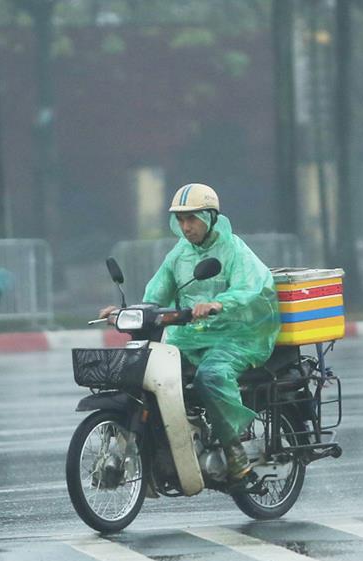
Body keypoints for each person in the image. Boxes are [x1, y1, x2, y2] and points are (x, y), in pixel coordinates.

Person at [100, 183, 281, 480]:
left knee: (210, 375)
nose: (186, 227)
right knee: (151, 373)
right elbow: (155, 292)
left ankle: (234, 449)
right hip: (193, 336)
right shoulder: (179, 254)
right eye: (181, 220)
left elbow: (250, 287)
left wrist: (217, 304)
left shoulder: (234, 249)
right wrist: (127, 312)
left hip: (240, 336)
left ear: (210, 217)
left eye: (192, 219)